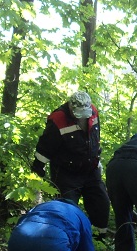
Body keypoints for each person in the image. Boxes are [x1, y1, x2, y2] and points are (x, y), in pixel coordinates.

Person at [32, 91, 110, 229]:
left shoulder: (93, 112)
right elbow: (46, 146)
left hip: (91, 170)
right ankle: (69, 240)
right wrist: (39, 166)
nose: (82, 118)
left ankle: (99, 240)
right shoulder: (58, 119)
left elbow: (95, 138)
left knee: (101, 204)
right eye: (78, 114)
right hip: (66, 174)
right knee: (66, 211)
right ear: (70, 108)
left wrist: (97, 157)